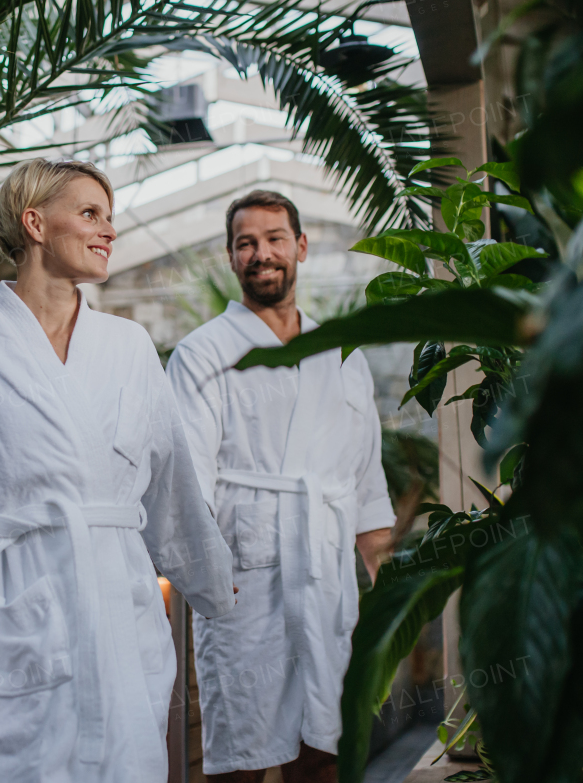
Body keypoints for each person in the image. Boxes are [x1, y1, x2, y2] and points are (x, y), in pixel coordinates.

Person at [0, 158, 236, 783]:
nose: (108, 231)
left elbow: (171, 482)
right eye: (90, 213)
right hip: (15, 611)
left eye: (110, 217)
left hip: (122, 614)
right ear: (35, 222)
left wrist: (211, 576)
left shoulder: (128, 348)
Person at [165, 190, 396, 783]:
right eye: (246, 243)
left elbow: (366, 485)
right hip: (245, 582)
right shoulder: (201, 353)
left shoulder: (343, 353)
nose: (260, 254)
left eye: (273, 240)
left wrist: (390, 598)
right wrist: (208, 581)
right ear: (230, 256)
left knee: (325, 753)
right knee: (242, 755)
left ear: (300, 246)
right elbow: (187, 481)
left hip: (326, 581)